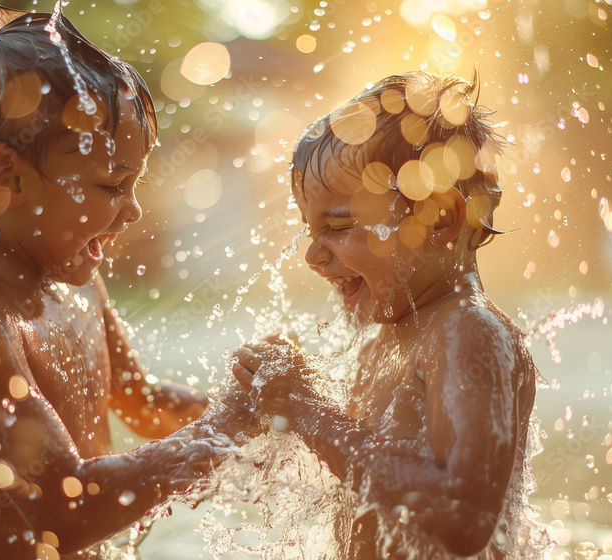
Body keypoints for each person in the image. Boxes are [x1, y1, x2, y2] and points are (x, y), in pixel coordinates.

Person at [0, 5, 244, 558]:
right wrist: (212, 436)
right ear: (2, 176)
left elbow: (146, 405)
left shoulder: (82, 288)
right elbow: (63, 511)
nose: (132, 210)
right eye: (111, 185)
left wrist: (255, 410)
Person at [230, 72, 545, 558]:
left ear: (437, 219)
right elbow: (360, 466)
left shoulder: (467, 332)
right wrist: (272, 413)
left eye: (337, 226)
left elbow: (464, 517)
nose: (312, 255)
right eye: (310, 231)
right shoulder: (386, 343)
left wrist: (305, 409)